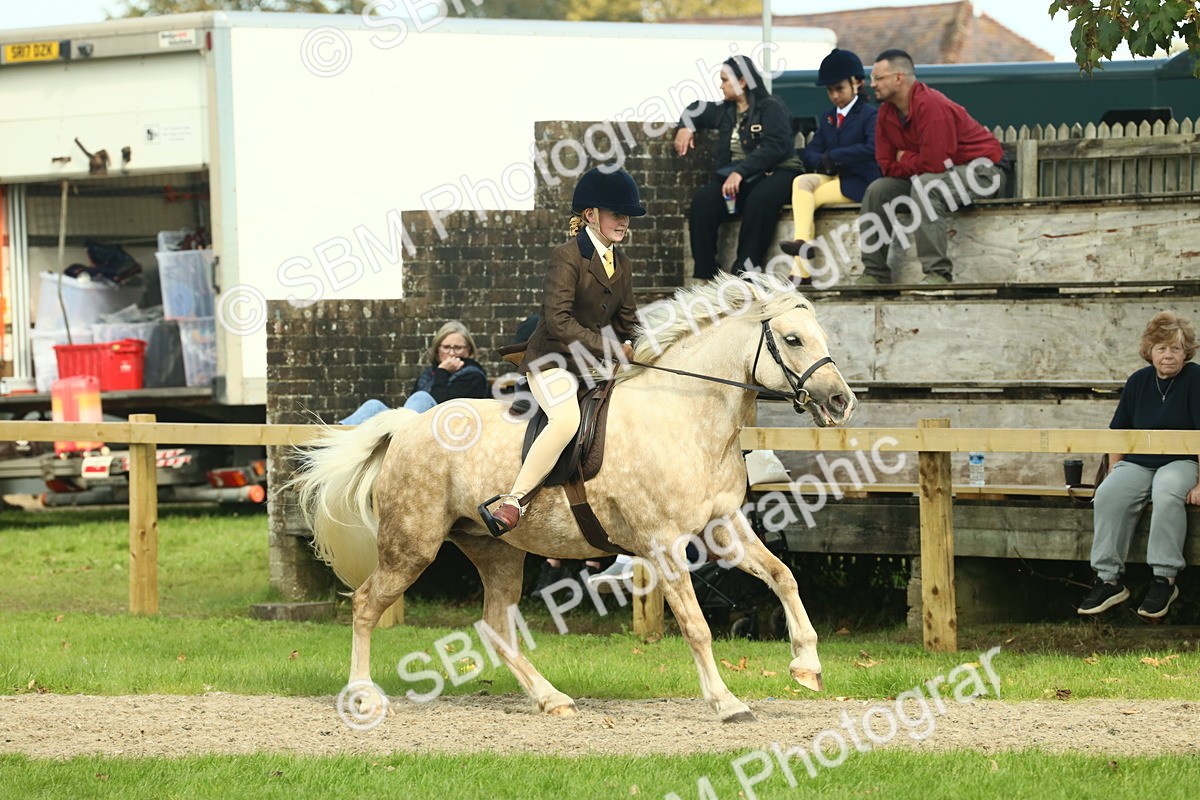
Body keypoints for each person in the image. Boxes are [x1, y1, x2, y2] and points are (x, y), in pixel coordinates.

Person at [479, 167, 643, 535]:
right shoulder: (567, 255)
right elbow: (558, 320)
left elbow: (628, 319)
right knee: (567, 420)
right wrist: (611, 347)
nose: (624, 221)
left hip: (592, 365)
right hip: (553, 361)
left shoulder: (623, 263)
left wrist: (637, 343)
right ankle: (514, 501)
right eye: (616, 213)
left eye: (626, 215)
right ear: (590, 215)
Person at [1078, 312, 1200, 619]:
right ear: (1150, 352)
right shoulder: (1137, 381)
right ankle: (1108, 580)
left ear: (1186, 351)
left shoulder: (1196, 379)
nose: (1168, 355)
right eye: (1161, 348)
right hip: (1138, 463)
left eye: (1175, 348)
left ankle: (1164, 579)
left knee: (1167, 488)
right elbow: (1119, 433)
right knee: (1110, 493)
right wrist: (1114, 470)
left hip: (1181, 462)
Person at [853, 49, 1005, 286]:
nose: (872, 84)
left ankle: (938, 273)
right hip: (939, 175)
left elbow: (934, 164)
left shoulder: (932, 106)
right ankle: (874, 272)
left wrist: (904, 158)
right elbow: (885, 164)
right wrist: (913, 160)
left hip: (983, 173)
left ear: (898, 78)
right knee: (877, 189)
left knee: (926, 185)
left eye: (878, 78)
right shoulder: (885, 114)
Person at [675, 55, 804, 280]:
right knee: (703, 202)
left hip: (779, 171)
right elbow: (696, 108)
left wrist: (740, 171)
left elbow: (775, 147)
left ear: (742, 82)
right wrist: (685, 126)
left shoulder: (771, 108)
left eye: (725, 80)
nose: (721, 85)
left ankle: (745, 271)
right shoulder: (726, 110)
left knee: (759, 200)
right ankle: (707, 274)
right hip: (741, 177)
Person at [778, 49, 881, 284]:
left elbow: (872, 149)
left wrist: (833, 156)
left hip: (859, 180)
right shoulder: (828, 117)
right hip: (834, 176)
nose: (835, 95)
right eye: (830, 90)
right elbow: (813, 149)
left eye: (839, 89)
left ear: (856, 83)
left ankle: (800, 271)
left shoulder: (870, 115)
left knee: (812, 196)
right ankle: (803, 243)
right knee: (800, 182)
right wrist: (820, 160)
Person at [339, 321, 488, 424]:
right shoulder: (429, 374)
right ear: (437, 350)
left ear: (468, 350)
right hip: (413, 426)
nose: (451, 353)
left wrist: (443, 372)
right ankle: (333, 440)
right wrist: (441, 372)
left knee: (421, 397)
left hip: (447, 430)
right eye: (446, 347)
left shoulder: (473, 376)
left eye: (458, 348)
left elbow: (444, 408)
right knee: (374, 406)